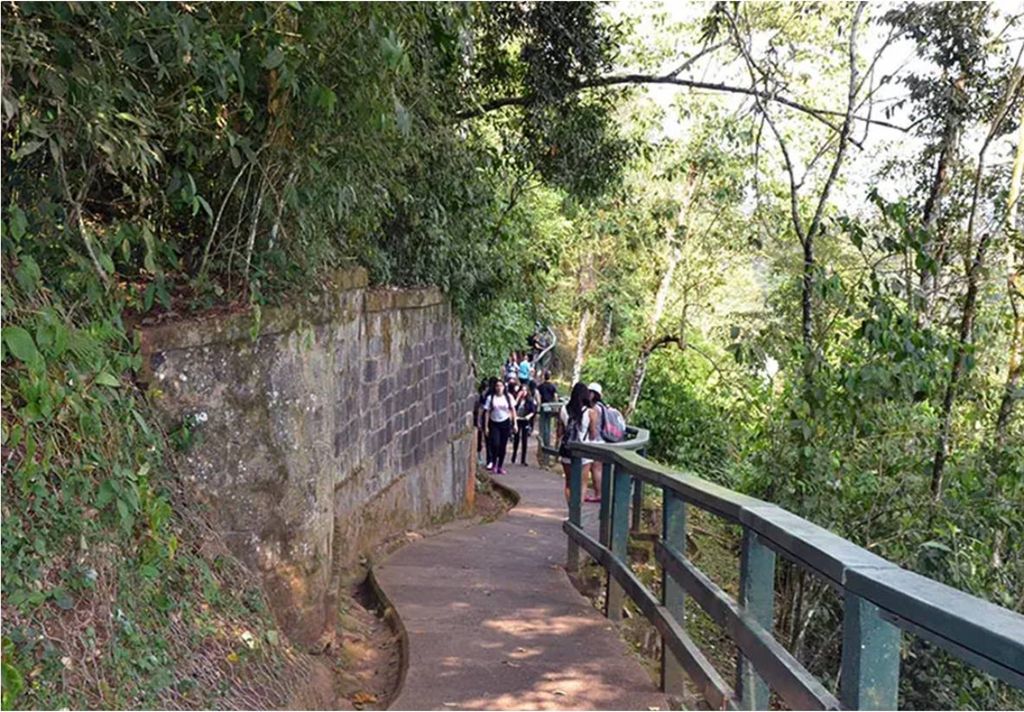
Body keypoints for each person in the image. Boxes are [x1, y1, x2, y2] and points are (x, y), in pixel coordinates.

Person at [556, 382, 600, 502]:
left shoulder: (563, 409)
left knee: (569, 483)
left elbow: (560, 433)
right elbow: (593, 435)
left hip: (567, 450)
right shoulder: (591, 412)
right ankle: (577, 510)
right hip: (583, 451)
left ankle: (571, 508)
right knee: (582, 483)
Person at [484, 379, 517, 475]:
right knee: (495, 444)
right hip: (494, 423)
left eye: (501, 386)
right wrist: (486, 426)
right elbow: (487, 412)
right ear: (495, 387)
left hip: (505, 423)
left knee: (503, 445)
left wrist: (515, 423)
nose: (499, 388)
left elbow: (513, 410)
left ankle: (500, 466)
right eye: (497, 386)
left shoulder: (508, 397)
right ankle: (494, 463)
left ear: (504, 387)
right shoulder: (491, 398)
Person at [586, 382, 608, 502]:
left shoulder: (594, 408)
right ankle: (600, 493)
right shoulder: (603, 407)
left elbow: (593, 429)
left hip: (596, 441)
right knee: (598, 469)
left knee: (596, 469)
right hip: (602, 440)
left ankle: (598, 494)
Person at [512, 384, 538, 465]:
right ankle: (514, 456)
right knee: (516, 438)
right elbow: (513, 407)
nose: (523, 392)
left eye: (525, 390)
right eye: (522, 390)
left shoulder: (530, 400)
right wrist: (517, 398)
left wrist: (528, 416)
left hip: (525, 421)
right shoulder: (517, 399)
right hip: (517, 420)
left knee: (524, 439)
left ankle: (523, 459)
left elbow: (533, 411)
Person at [474, 378, 490, 465]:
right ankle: (479, 456)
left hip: (485, 419)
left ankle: (486, 458)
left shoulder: (488, 396)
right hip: (481, 419)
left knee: (486, 438)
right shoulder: (479, 397)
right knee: (479, 438)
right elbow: (479, 409)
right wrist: (478, 421)